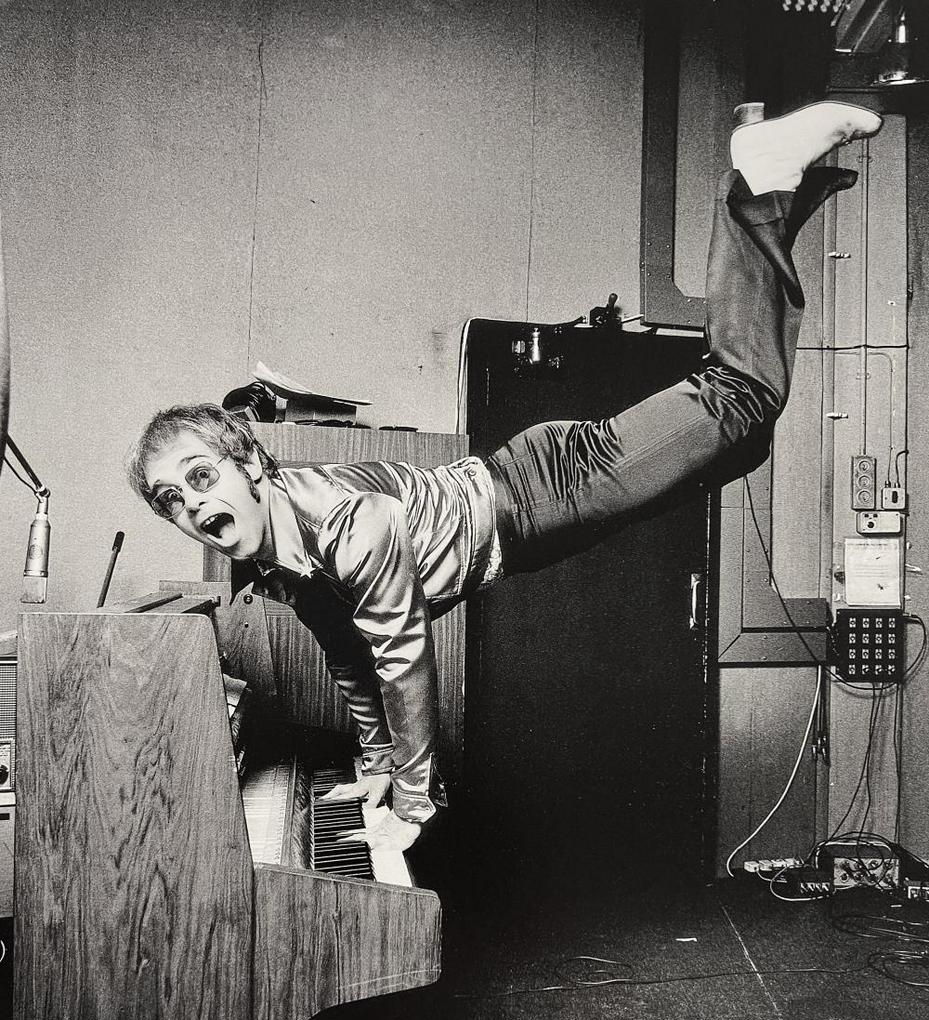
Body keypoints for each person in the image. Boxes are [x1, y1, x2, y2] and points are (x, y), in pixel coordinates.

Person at [127, 100, 882, 853]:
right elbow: (347, 657)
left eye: (200, 476)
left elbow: (400, 656)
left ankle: (755, 184)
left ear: (250, 465)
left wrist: (415, 801)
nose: (194, 504)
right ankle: (770, 207)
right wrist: (376, 762)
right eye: (173, 501)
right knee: (739, 446)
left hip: (544, 486)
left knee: (741, 398)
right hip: (527, 518)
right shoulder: (283, 562)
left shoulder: (346, 527)